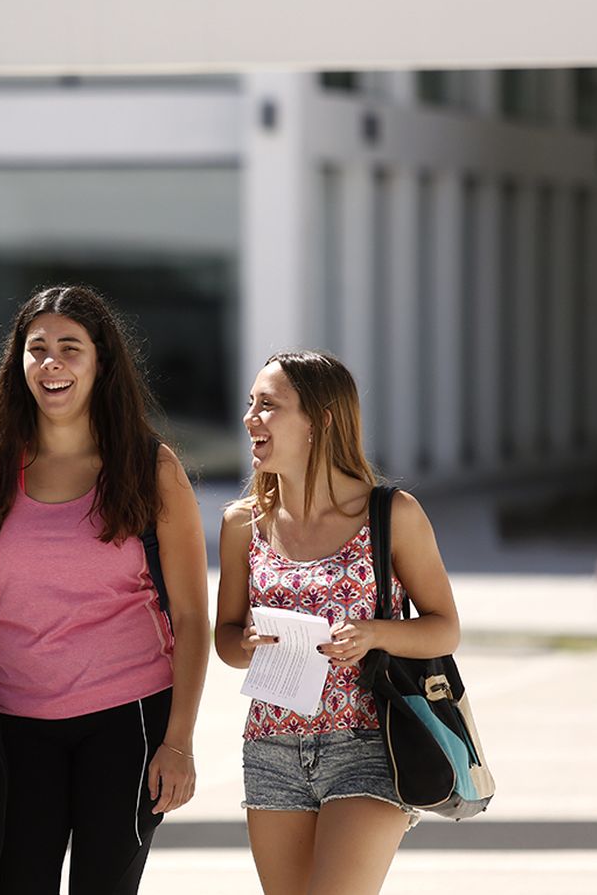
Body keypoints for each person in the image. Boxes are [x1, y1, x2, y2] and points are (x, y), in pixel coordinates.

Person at [0, 284, 210, 894]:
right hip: (15, 721)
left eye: (70, 348)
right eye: (37, 349)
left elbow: (191, 617)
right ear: (18, 363)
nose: (51, 363)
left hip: (129, 718)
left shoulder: (149, 467)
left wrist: (179, 743)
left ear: (101, 362)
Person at [214, 350, 461, 895]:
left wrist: (375, 634)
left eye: (269, 406)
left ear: (320, 419)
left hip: (370, 742)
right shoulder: (241, 524)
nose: (250, 418)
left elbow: (444, 627)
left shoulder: (392, 514)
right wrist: (249, 643)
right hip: (271, 746)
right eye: (250, 404)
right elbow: (226, 641)